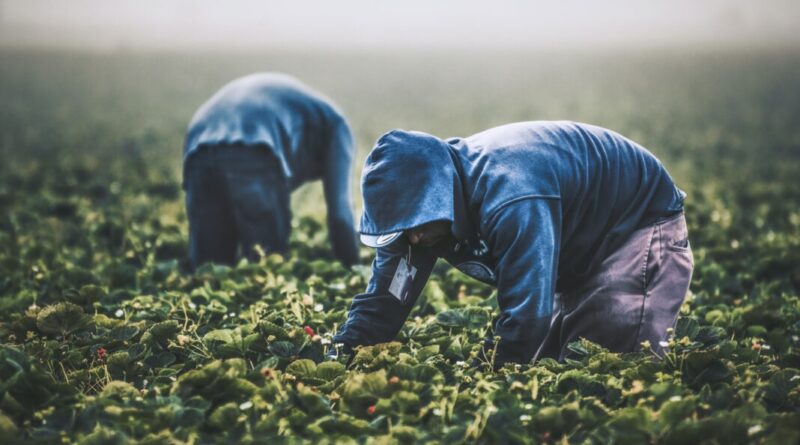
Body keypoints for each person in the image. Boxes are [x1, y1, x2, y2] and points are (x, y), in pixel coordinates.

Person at [333, 121, 694, 367]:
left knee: (613, 365)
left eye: (415, 223)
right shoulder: (419, 224)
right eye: (400, 229)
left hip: (636, 224)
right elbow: (385, 300)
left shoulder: (511, 196)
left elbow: (527, 316)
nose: (411, 239)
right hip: (573, 240)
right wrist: (340, 355)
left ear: (439, 196)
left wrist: (481, 375)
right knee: (560, 364)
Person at [182, 73, 359, 269]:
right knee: (266, 266)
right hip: (254, 145)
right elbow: (340, 215)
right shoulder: (339, 128)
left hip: (198, 146)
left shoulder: (310, 118)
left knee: (209, 269)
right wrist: (353, 267)